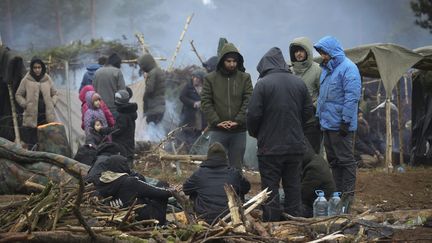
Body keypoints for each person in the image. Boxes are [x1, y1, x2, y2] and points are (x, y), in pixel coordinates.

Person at [247, 47, 313, 221]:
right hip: (295, 146)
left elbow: (253, 114)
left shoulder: (262, 84)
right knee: (293, 186)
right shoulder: (299, 83)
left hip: (270, 148)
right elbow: (308, 112)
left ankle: (271, 224)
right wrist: (298, 129)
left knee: (270, 188)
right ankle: (294, 223)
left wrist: (256, 133)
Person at [314, 36, 361, 210]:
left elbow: (352, 97)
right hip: (327, 124)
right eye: (320, 53)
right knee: (334, 161)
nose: (322, 56)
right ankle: (337, 195)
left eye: (324, 52)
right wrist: (319, 117)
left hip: (341, 125)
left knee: (346, 162)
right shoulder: (327, 70)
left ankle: (347, 199)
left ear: (332, 51)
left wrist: (345, 121)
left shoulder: (349, 68)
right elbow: (323, 97)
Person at [201, 42, 253, 170]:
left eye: (234, 61)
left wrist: (238, 121)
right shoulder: (210, 79)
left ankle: (236, 190)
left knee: (236, 167)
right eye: (228, 61)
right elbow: (206, 102)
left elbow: (249, 100)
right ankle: (216, 190)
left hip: (238, 131)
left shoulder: (244, 78)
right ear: (222, 61)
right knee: (215, 165)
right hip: (218, 130)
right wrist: (216, 121)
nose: (232, 64)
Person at [93, 154, 173, 225]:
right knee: (162, 184)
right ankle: (162, 222)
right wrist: (172, 191)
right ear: (123, 166)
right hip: (147, 219)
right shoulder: (129, 182)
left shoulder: (100, 183)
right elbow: (159, 192)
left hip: (119, 220)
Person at [183, 142, 250, 224]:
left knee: (194, 191)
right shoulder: (234, 173)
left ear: (208, 157)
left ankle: (196, 219)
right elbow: (246, 188)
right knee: (239, 189)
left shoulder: (199, 173)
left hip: (205, 218)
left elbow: (185, 189)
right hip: (230, 217)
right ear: (225, 157)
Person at [15, 57, 58, 149]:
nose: (37, 69)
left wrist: (52, 103)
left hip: (46, 116)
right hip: (32, 117)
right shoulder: (26, 80)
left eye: (39, 67)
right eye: (35, 67)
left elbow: (55, 93)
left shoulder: (47, 79)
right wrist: (25, 104)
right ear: (32, 68)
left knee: (46, 142)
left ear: (42, 67)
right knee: (32, 143)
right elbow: (18, 95)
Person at [289, 37, 322, 154]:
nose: (298, 54)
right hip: (293, 119)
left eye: (301, 50)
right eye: (296, 51)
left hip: (312, 120)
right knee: (295, 153)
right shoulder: (290, 71)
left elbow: (323, 94)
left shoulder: (317, 69)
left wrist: (313, 108)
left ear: (307, 51)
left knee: (312, 153)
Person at [102, 89, 138, 166]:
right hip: (129, 145)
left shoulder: (123, 116)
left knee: (124, 166)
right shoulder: (130, 112)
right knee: (128, 161)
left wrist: (104, 130)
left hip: (122, 147)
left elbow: (117, 130)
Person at [301, 141, 336, 218]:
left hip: (318, 208)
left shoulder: (314, 168)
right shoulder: (316, 159)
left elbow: (303, 193)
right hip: (318, 203)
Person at [179, 69, 207, 149]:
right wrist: (193, 103)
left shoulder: (205, 88)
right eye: (194, 77)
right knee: (187, 133)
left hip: (201, 116)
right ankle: (186, 150)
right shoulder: (188, 87)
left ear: (201, 79)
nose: (195, 79)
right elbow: (182, 97)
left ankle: (194, 150)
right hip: (189, 115)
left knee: (198, 134)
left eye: (197, 78)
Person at [93, 53, 126, 118]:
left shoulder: (97, 72)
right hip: (114, 109)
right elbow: (123, 92)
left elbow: (94, 90)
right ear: (117, 63)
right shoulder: (117, 72)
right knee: (115, 128)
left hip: (99, 108)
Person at [137, 53, 165, 125]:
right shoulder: (159, 71)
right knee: (156, 130)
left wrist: (144, 99)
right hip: (161, 107)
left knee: (150, 130)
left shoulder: (152, 73)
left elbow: (149, 89)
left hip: (153, 108)